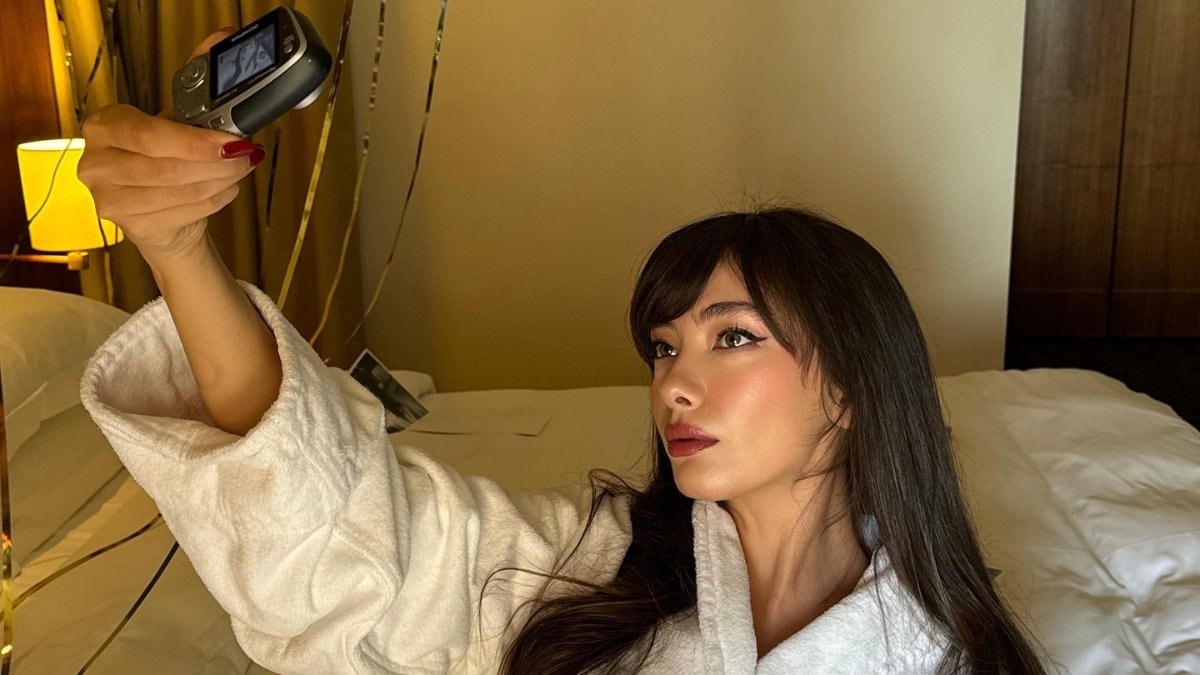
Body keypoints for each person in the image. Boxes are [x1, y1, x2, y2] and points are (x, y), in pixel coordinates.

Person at [76, 31, 1046, 675]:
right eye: (663, 348)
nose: (675, 384)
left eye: (733, 337)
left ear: (851, 387)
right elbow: (336, 531)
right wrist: (180, 253)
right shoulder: (594, 566)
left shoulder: (953, 656)